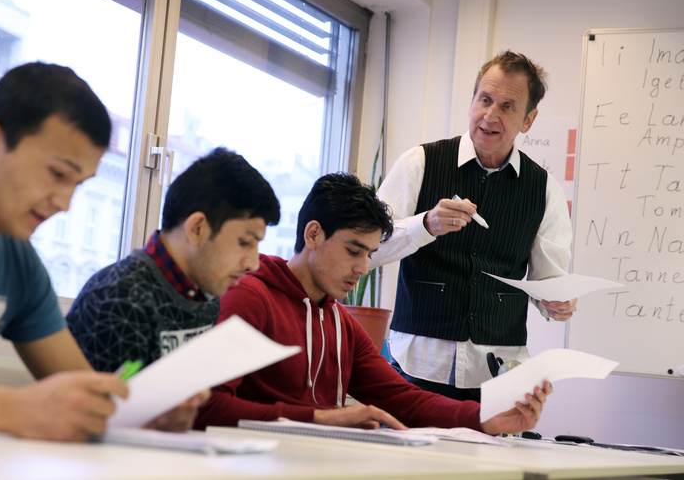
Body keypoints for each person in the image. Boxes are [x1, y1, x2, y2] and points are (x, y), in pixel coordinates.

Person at [0, 62, 195, 441]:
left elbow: (80, 386)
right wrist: (12, 408)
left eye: (77, 184)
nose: (64, 203)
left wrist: (144, 414)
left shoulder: (18, 262)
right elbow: (24, 408)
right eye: (57, 174)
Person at [194, 172, 551, 434]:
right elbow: (207, 405)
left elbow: (405, 399)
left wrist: (483, 416)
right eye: (353, 250)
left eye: (370, 254)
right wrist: (321, 418)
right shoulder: (251, 298)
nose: (363, 268)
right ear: (313, 234)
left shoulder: (339, 322)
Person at [369, 50, 577, 402]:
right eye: (485, 99)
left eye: (508, 106)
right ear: (471, 103)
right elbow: (369, 248)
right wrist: (426, 225)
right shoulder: (418, 163)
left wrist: (556, 303)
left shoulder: (544, 190)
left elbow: (548, 282)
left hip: (499, 375)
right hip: (416, 364)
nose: (490, 115)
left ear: (528, 120)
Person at [67, 147, 280, 375]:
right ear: (197, 228)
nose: (253, 263)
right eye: (245, 242)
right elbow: (91, 407)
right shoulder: (118, 299)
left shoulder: (207, 300)